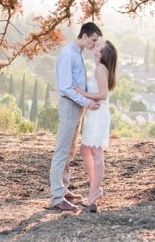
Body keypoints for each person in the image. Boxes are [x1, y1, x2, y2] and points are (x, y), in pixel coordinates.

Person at [49, 22, 102, 212]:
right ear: (85, 36)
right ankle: (57, 197)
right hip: (70, 105)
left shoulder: (77, 53)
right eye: (93, 40)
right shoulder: (68, 54)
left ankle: (63, 188)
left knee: (70, 150)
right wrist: (87, 102)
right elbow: (65, 86)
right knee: (62, 150)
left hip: (77, 106)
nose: (95, 44)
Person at [74, 39, 117, 213]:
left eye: (99, 46)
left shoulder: (101, 69)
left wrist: (82, 93)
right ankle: (95, 187)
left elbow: (103, 95)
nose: (95, 46)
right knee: (85, 150)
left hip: (99, 114)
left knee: (97, 154)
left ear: (103, 53)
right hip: (94, 114)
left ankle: (94, 193)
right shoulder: (99, 68)